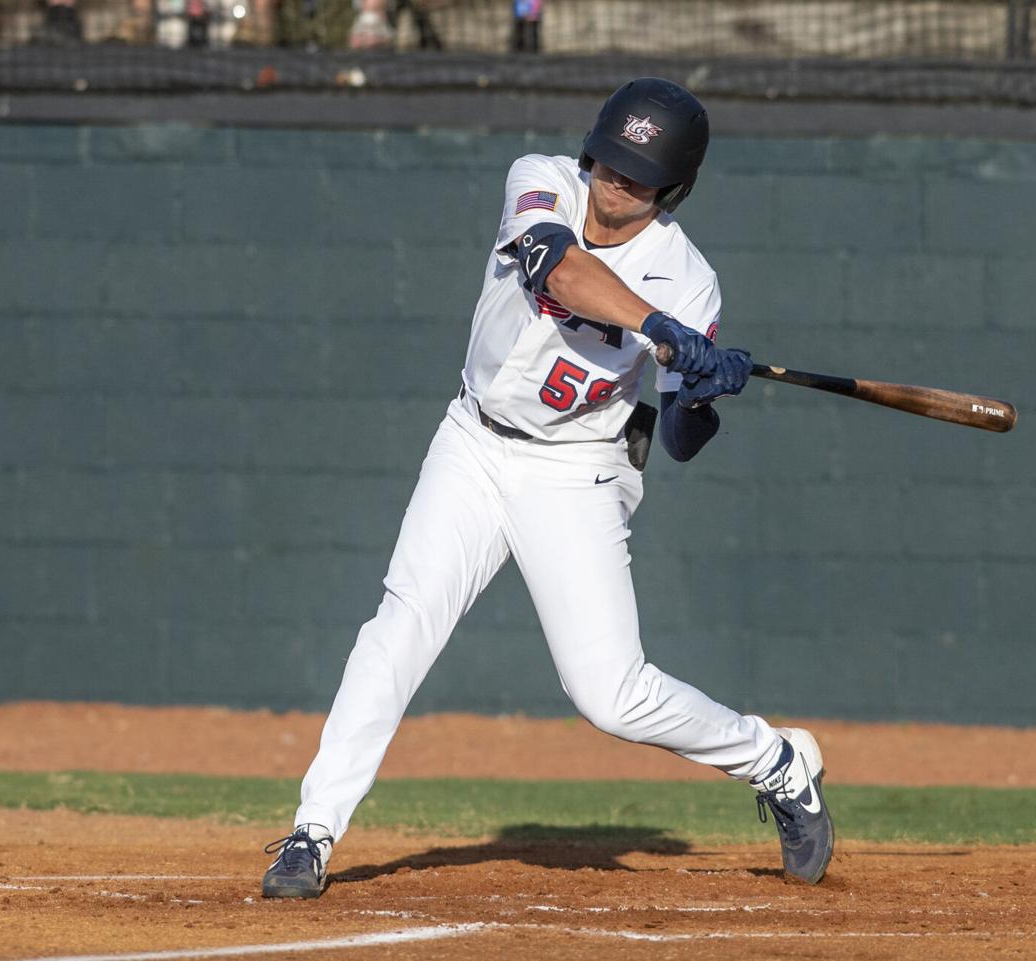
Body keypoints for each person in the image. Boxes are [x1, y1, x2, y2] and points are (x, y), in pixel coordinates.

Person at [261, 77, 835, 899]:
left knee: (611, 694)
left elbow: (675, 440)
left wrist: (702, 387)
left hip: (575, 470)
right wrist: (658, 330)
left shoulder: (691, 282)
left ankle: (776, 760)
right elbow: (557, 269)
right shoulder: (541, 179)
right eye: (611, 161)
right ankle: (312, 832)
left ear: (672, 187)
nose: (616, 183)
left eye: (639, 176)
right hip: (473, 442)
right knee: (400, 624)